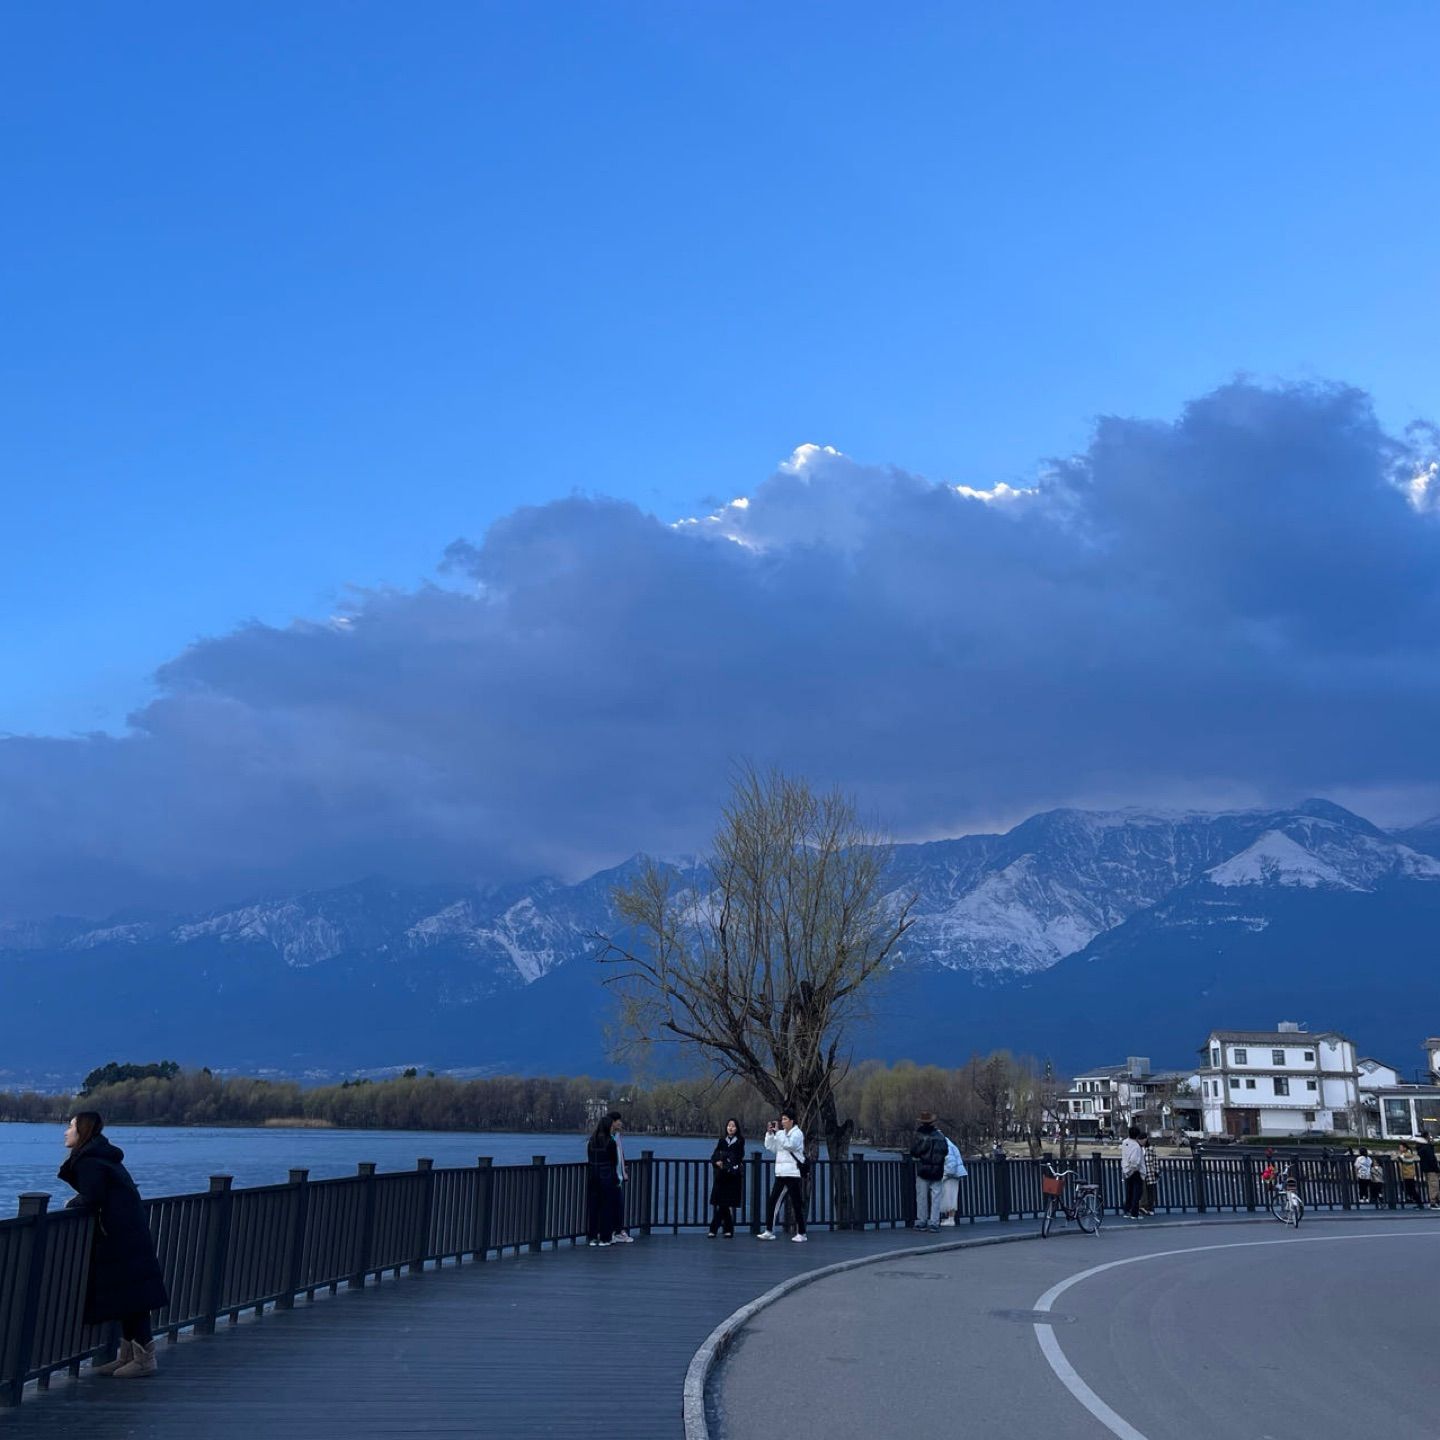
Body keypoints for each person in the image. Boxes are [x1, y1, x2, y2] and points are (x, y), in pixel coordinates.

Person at [59, 1112, 168, 1379]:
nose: (66, 1131)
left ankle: (144, 1358)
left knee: (132, 1295)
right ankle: (129, 1355)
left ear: (82, 1131)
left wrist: (72, 1203)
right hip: (128, 1233)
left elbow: (93, 1196)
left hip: (119, 1237)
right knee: (129, 1294)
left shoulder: (90, 1162)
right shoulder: (102, 1158)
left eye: (70, 1126)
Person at [757, 1108, 807, 1242]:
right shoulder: (781, 1134)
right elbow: (772, 1147)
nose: (783, 1122)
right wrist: (770, 1134)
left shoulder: (797, 1134)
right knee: (772, 1201)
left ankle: (801, 1233)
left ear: (792, 1121)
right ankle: (769, 1230)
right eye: (782, 1119)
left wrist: (778, 1133)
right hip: (781, 1173)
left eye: (785, 1119)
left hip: (792, 1173)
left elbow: (790, 1145)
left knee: (796, 1203)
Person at [586, 1112, 623, 1247]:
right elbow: (614, 1161)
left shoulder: (591, 1141)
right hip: (607, 1176)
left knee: (594, 1207)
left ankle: (592, 1236)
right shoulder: (610, 1142)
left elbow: (589, 1158)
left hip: (593, 1176)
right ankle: (605, 1237)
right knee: (607, 1207)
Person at [909, 1112, 948, 1231]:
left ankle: (922, 1221)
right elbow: (945, 1151)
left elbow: (914, 1151)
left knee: (922, 1197)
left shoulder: (920, 1135)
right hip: (937, 1170)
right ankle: (934, 1222)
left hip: (923, 1170)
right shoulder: (940, 1136)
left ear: (921, 1122)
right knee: (936, 1198)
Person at [707, 1118, 745, 1238]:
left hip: (732, 1176)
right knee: (723, 1203)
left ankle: (714, 1228)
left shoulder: (740, 1141)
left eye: (733, 1126)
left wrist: (723, 1156)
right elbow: (714, 1155)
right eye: (729, 1126)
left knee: (724, 1203)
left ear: (737, 1128)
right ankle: (728, 1230)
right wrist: (717, 1161)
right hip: (721, 1175)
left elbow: (737, 1156)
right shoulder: (722, 1140)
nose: (730, 1128)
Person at [611, 1117, 634, 1243]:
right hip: (611, 1177)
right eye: (618, 1120)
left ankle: (618, 1230)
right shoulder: (609, 1138)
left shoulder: (618, 1136)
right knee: (612, 1205)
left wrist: (624, 1170)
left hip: (618, 1177)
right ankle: (613, 1231)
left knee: (618, 1205)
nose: (621, 1123)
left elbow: (621, 1154)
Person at [939, 1130, 967, 1226]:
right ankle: (950, 1218)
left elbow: (951, 1163)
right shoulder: (949, 1144)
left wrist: (945, 1175)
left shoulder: (946, 1146)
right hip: (954, 1175)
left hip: (950, 1175)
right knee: (950, 1197)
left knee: (949, 1197)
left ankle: (951, 1220)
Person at [1120, 1127, 1145, 1219]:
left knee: (1129, 1192)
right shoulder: (1136, 1146)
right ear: (1137, 1135)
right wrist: (1133, 1169)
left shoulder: (1124, 1142)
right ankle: (1134, 1213)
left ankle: (1127, 1210)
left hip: (1126, 1169)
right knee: (1137, 1193)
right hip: (1135, 1171)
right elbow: (1135, 1161)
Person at [1417, 1132, 1439, 1209]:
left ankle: (1435, 1201)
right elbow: (1431, 1159)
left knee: (1432, 1185)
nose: (1431, 1137)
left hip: (1426, 1168)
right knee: (1434, 1185)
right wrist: (1437, 1169)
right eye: (1430, 1136)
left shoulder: (1421, 1147)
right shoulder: (1427, 1147)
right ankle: (1433, 1202)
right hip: (1431, 1169)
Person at [1396, 1142, 1421, 1208]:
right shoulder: (1404, 1154)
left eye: (1401, 1147)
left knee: (1412, 1189)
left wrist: (1400, 1158)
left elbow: (1407, 1161)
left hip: (1409, 1174)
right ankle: (1416, 1201)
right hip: (1406, 1174)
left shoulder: (1408, 1154)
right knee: (1409, 1189)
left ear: (1405, 1148)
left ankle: (1419, 1202)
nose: (1400, 1149)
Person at [1141, 1134, 1159, 1216]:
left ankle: (1151, 1208)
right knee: (1142, 1192)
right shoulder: (1138, 1149)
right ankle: (1143, 1207)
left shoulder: (1151, 1149)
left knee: (1151, 1191)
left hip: (1150, 1172)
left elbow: (1155, 1160)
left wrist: (1156, 1171)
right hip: (1141, 1173)